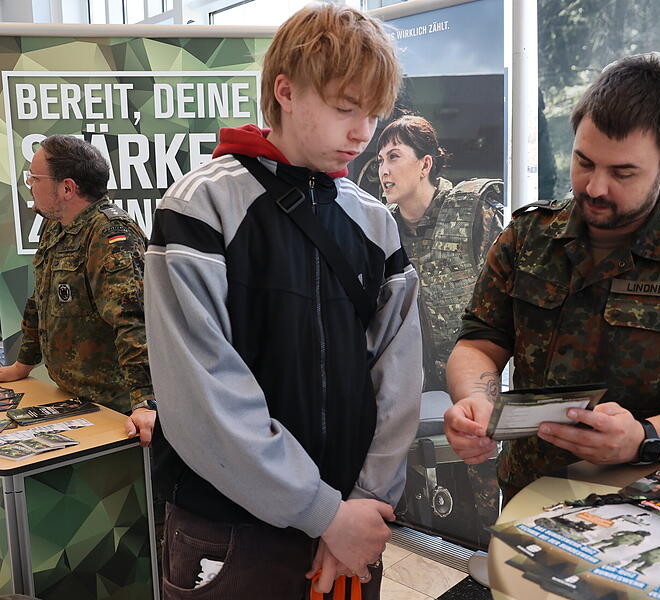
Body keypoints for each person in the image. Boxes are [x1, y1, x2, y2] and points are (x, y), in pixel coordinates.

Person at [144, 4, 421, 598]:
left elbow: (397, 379)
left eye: (374, 114)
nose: (363, 133)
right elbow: (203, 392)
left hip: (351, 524)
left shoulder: (374, 223)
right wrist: (321, 511)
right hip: (232, 531)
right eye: (346, 108)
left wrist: (364, 507)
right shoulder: (200, 207)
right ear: (286, 91)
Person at [444, 53, 660, 500]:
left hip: (650, 510)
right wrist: (475, 402)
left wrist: (643, 437)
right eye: (584, 162)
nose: (595, 187)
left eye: (623, 172)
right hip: (528, 497)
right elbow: (478, 343)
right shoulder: (528, 236)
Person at [0, 134, 155, 445]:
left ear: (67, 188)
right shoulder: (55, 225)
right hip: (75, 397)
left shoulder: (111, 234)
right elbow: (40, 298)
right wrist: (22, 364)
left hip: (117, 408)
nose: (30, 184)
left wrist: (145, 402)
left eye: (35, 177)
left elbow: (134, 321)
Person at [376, 114, 503, 392]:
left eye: (394, 157)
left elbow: (507, 304)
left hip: (472, 379)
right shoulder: (381, 228)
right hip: (406, 386)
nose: (384, 170)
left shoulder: (474, 215)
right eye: (380, 160)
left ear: (425, 164)